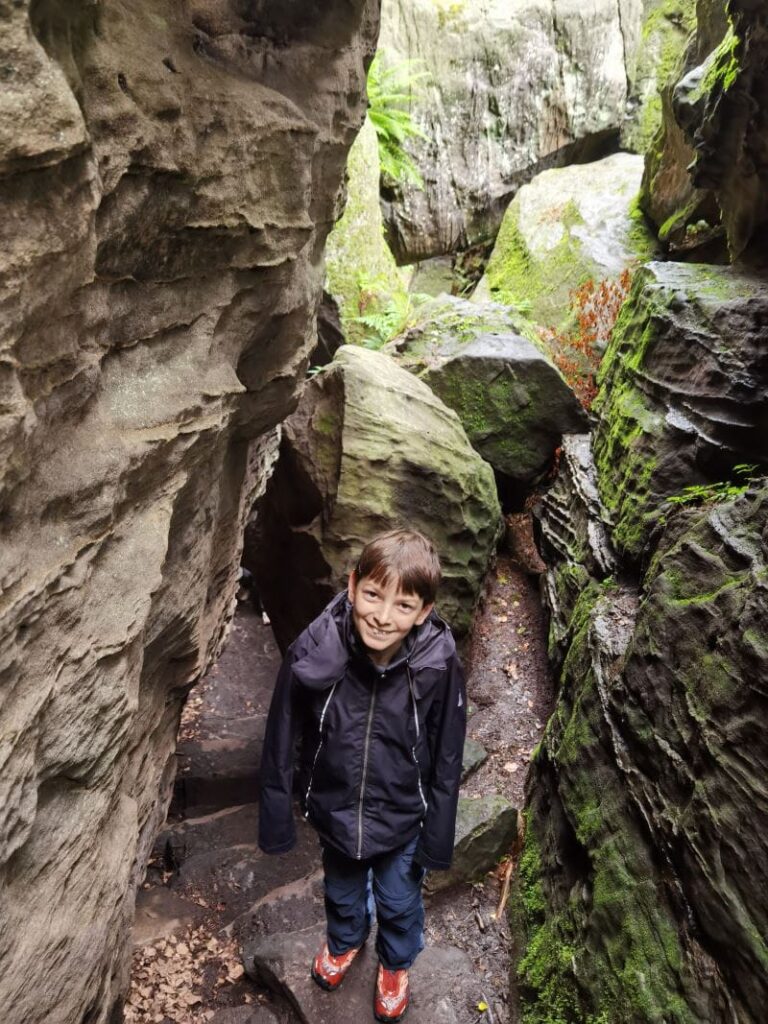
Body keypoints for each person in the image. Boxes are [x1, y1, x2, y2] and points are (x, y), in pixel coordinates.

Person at [258, 528, 467, 1022]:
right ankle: (346, 940)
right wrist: (278, 818)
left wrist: (437, 837)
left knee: (398, 899)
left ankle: (395, 962)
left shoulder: (437, 662)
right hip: (335, 806)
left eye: (402, 604)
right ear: (351, 587)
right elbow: (282, 729)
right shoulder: (318, 645)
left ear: (423, 611)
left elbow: (448, 751)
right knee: (342, 889)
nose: (381, 614)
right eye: (373, 595)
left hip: (401, 814)